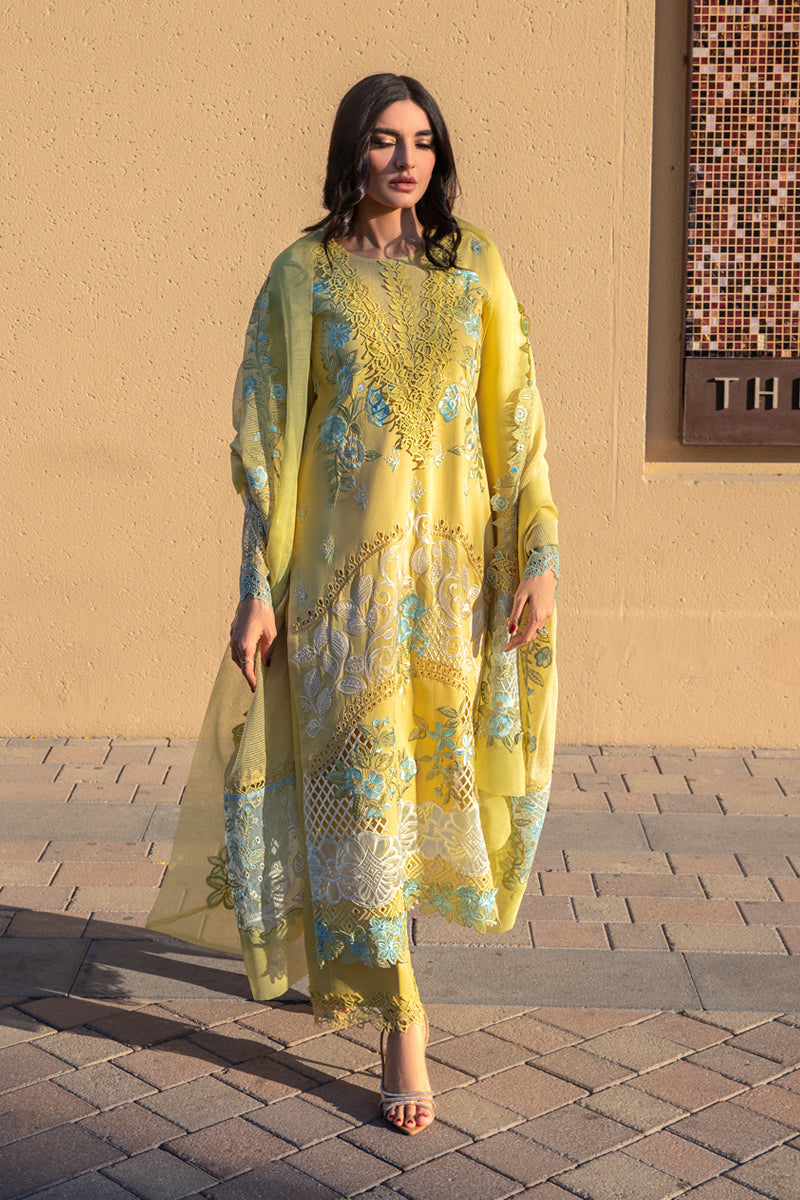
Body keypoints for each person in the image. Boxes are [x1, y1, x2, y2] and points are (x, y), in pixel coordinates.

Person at [148, 73, 558, 1136]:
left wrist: (537, 557)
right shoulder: (303, 275)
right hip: (343, 594)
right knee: (367, 796)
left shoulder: (474, 267)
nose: (405, 159)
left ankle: (369, 965)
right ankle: (401, 1021)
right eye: (383, 140)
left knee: (418, 794)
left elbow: (516, 423)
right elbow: (266, 446)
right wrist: (257, 588)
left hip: (449, 592)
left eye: (421, 140)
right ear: (352, 153)